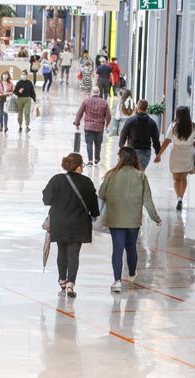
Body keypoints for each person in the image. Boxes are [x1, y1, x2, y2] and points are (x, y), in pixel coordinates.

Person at [99, 147, 161, 293]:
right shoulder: (141, 176)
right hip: (133, 219)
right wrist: (155, 217)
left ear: (120, 158)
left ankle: (117, 281)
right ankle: (132, 273)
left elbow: (101, 194)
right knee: (131, 247)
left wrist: (95, 214)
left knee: (118, 248)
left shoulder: (111, 175)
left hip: (115, 218)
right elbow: (147, 200)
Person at [43, 153, 99, 298]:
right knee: (74, 253)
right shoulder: (86, 182)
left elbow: (47, 199)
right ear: (79, 166)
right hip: (78, 223)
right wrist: (95, 214)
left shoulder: (56, 180)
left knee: (62, 250)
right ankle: (70, 284)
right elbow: (93, 202)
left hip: (59, 222)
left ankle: (62, 279)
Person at [154, 106, 195, 211]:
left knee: (176, 179)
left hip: (176, 153)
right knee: (184, 178)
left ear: (177, 115)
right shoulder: (193, 126)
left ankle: (179, 198)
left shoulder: (173, 126)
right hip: (188, 153)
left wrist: (159, 154)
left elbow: (167, 141)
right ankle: (181, 197)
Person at [73, 87, 111, 166]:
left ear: (91, 93)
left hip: (88, 127)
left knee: (89, 144)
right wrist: (107, 125)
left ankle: (90, 161)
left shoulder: (86, 101)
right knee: (98, 144)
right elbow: (109, 116)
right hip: (99, 127)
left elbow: (79, 113)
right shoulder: (104, 103)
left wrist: (77, 124)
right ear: (99, 92)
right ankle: (96, 159)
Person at [119, 99, 160, 171]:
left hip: (132, 152)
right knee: (140, 173)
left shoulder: (130, 120)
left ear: (137, 107)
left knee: (132, 173)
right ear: (146, 108)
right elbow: (156, 139)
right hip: (146, 152)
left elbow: (123, 135)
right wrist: (158, 153)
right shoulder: (152, 122)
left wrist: (121, 149)